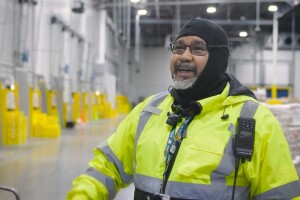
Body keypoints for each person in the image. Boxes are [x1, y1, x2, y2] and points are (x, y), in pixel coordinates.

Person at [66, 18, 300, 200]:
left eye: (197, 49)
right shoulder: (149, 111)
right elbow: (107, 167)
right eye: (179, 47)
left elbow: (279, 194)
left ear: (218, 58)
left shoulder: (254, 120)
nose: (184, 56)